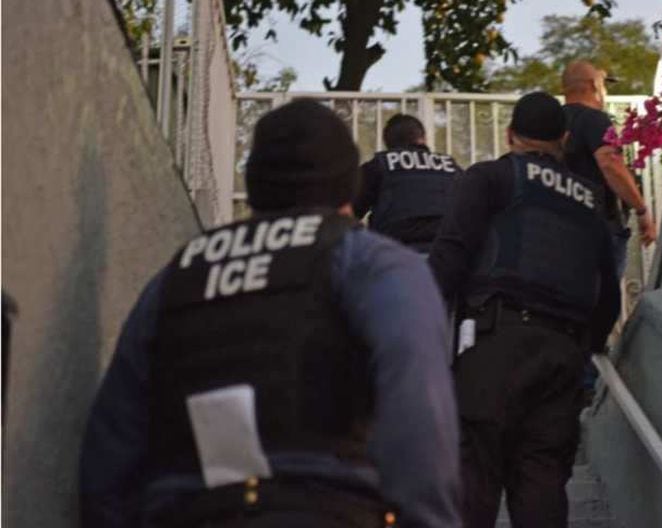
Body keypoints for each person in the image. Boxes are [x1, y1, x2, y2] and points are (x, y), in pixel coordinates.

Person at [79, 100, 461, 528]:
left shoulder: (179, 274)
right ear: (349, 188)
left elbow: (110, 448)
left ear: (255, 183)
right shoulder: (373, 263)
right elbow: (417, 410)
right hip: (325, 508)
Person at [428, 92, 621, 528]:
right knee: (542, 479)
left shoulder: (490, 177)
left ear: (510, 134)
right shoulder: (591, 201)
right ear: (565, 140)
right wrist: (585, 348)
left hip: (494, 342)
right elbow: (608, 294)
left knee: (474, 474)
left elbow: (450, 256)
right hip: (562, 355)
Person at [562, 60, 657, 277]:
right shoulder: (595, 119)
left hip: (559, 229)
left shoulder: (552, 122)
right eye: (604, 85)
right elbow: (610, 163)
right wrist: (641, 210)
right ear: (594, 85)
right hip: (597, 229)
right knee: (602, 295)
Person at [354, 114, 460, 253]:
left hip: (394, 254)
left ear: (388, 144)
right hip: (449, 254)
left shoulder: (379, 165)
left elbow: (349, 211)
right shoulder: (452, 167)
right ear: (423, 139)